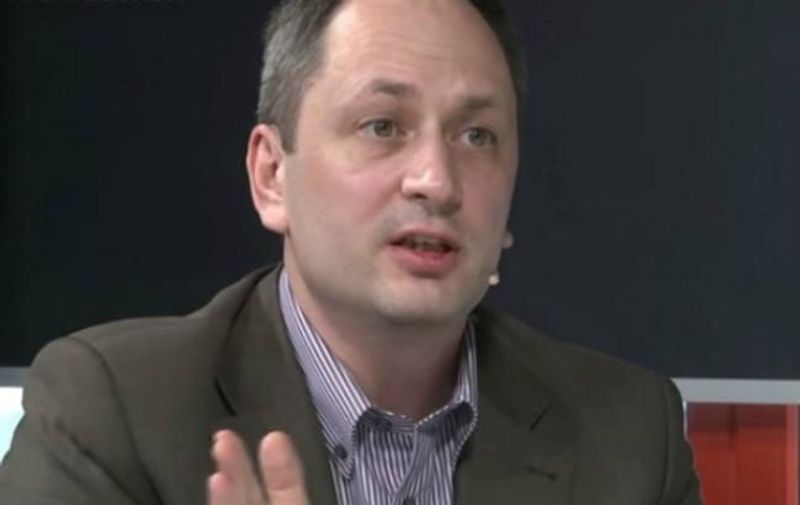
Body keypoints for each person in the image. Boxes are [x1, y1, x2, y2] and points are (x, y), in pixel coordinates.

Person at [0, 0, 702, 504]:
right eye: (382, 125)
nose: (437, 180)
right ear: (272, 176)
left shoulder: (632, 439)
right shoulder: (112, 412)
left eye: (477, 136)